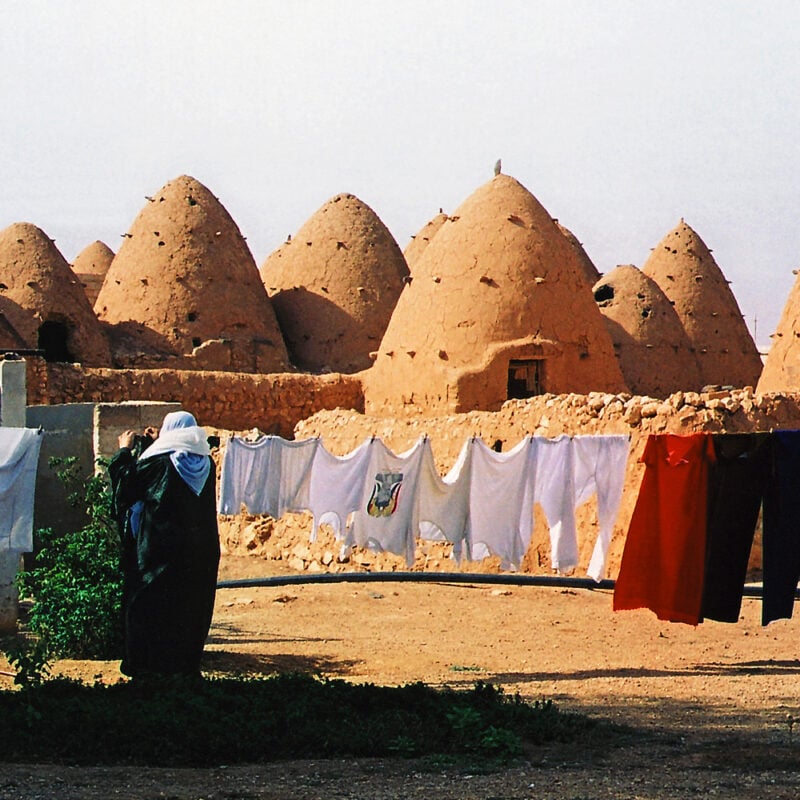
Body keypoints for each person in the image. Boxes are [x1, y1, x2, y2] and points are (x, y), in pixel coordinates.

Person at [109, 410, 220, 680]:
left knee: (150, 605)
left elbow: (127, 485)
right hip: (200, 555)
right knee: (190, 607)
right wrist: (154, 443)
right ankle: (183, 668)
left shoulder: (158, 464)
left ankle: (148, 669)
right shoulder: (207, 464)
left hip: (160, 553)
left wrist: (125, 451)